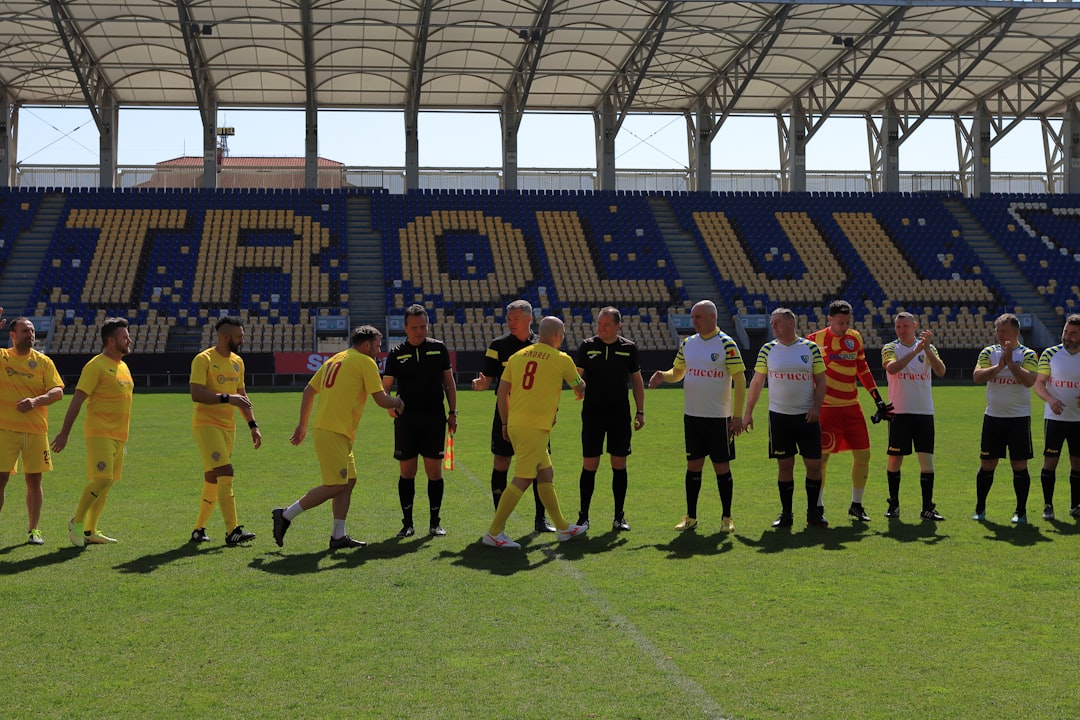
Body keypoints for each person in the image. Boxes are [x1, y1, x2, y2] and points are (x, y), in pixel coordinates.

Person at [273, 325, 404, 549]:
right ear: (366, 344)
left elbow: (308, 390)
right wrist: (400, 402)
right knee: (335, 485)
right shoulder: (365, 361)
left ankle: (338, 536)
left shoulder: (335, 358)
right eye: (377, 345)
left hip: (333, 430)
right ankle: (285, 515)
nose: (379, 350)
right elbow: (381, 400)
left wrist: (303, 424)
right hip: (334, 430)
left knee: (348, 481)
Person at [482, 316, 587, 548]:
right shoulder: (562, 359)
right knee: (523, 478)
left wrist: (504, 423)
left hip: (516, 424)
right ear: (558, 336)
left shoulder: (517, 357)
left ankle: (562, 527)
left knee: (546, 474)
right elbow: (579, 385)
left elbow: (502, 393)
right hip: (535, 428)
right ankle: (493, 532)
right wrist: (581, 389)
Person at [648, 300, 745, 532]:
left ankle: (726, 518)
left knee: (721, 467)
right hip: (692, 417)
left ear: (713, 317)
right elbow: (679, 372)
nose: (694, 321)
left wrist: (737, 416)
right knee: (693, 466)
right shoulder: (688, 343)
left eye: (698, 317)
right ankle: (690, 517)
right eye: (693, 317)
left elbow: (740, 380)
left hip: (718, 418)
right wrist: (664, 375)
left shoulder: (727, 344)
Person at [806, 300, 893, 525]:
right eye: (840, 322)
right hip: (827, 409)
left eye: (847, 322)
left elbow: (862, 370)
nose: (844, 326)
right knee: (821, 459)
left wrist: (878, 400)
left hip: (851, 407)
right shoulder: (813, 340)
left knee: (864, 454)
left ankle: (856, 505)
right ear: (829, 319)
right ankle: (818, 507)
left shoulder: (854, 338)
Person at [472, 299, 553, 533]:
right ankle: (501, 519)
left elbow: (551, 381)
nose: (511, 322)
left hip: (537, 416)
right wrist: (481, 384)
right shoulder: (498, 345)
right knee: (501, 461)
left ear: (529, 319)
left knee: (540, 466)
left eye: (515, 319)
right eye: (508, 319)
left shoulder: (543, 343)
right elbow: (487, 379)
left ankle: (541, 519)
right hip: (507, 412)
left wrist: (553, 412)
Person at [52, 318, 134, 547]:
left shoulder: (123, 366)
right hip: (100, 433)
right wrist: (64, 433)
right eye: (124, 336)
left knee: (107, 483)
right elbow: (78, 399)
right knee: (102, 479)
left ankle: (90, 530)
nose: (129, 339)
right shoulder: (95, 365)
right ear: (110, 340)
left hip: (119, 436)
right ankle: (76, 522)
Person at [742, 308, 826, 528]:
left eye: (777, 322)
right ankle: (786, 514)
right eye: (772, 323)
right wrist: (748, 412)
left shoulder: (810, 348)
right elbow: (757, 382)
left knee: (814, 465)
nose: (774, 326)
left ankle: (813, 513)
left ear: (791, 323)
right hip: (779, 418)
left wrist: (816, 407)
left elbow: (821, 381)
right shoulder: (767, 350)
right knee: (785, 465)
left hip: (807, 416)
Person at [382, 304, 457, 538]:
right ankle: (407, 524)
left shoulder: (438, 349)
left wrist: (453, 412)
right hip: (406, 421)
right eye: (414, 327)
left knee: (434, 472)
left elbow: (449, 383)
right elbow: (385, 388)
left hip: (434, 418)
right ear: (405, 328)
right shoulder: (395, 353)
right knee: (407, 472)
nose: (419, 331)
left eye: (423, 326)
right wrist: (391, 407)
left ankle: (435, 523)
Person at [188, 316, 261, 546]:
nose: (242, 340)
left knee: (212, 477)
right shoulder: (204, 359)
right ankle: (233, 531)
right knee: (226, 472)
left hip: (229, 427)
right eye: (239, 336)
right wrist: (227, 398)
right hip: (206, 425)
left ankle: (198, 529)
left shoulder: (238, 361)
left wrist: (253, 425)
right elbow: (196, 393)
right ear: (225, 337)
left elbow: (242, 396)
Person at [575, 307, 644, 532]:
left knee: (619, 465)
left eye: (606, 324)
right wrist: (577, 387)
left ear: (618, 326)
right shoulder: (587, 346)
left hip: (619, 415)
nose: (601, 328)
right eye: (599, 324)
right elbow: (576, 376)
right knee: (589, 465)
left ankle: (619, 517)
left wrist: (640, 411)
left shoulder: (629, 348)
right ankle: (583, 517)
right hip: (593, 414)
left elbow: (637, 380)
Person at [0, 317, 64, 545]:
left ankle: (34, 530)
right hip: (4, 429)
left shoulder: (43, 362)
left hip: (36, 431)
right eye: (25, 331)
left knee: (34, 480)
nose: (30, 334)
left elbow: (57, 391)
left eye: (32, 331)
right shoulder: (2, 357)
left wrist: (35, 401)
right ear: (12, 335)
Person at [972, 313, 1038, 523]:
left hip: (1018, 419)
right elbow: (977, 376)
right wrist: (999, 366)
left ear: (1016, 333)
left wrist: (1011, 363)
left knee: (1019, 465)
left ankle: (1021, 511)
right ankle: (980, 508)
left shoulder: (1028, 354)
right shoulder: (988, 352)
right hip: (993, 417)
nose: (1000, 335)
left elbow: (1029, 381)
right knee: (987, 464)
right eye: (998, 331)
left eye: (1005, 332)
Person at [881, 312, 947, 520]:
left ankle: (927, 507)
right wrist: (916, 350)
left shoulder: (929, 348)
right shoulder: (890, 348)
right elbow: (892, 368)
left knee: (926, 461)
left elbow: (940, 371)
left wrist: (925, 348)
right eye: (898, 326)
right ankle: (894, 504)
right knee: (894, 461)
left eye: (905, 326)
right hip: (898, 413)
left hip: (923, 412)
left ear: (914, 326)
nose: (902, 330)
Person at [1032, 314, 1080, 521]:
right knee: (1050, 462)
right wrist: (1051, 400)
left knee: (1077, 463)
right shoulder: (1050, 354)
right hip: (1055, 419)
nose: (1067, 337)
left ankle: (1075, 506)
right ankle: (1048, 505)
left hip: (1078, 421)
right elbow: (1038, 383)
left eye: (1073, 334)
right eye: (1065, 332)